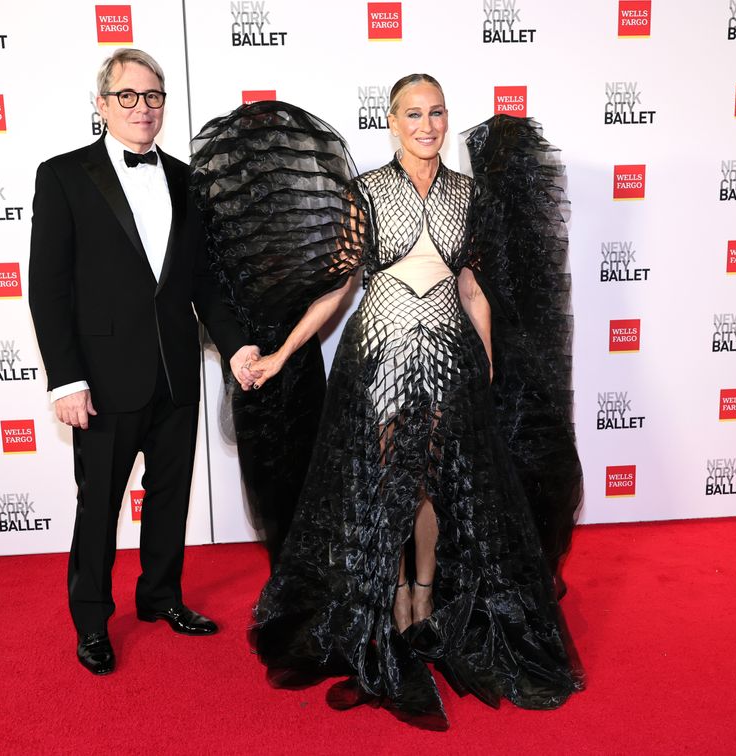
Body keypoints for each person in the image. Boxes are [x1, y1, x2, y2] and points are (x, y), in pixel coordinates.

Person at [238, 75, 584, 729]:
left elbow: (473, 287)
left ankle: (424, 590)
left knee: (430, 480)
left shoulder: (467, 193)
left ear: (446, 120)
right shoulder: (366, 191)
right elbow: (336, 289)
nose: (427, 125)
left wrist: (483, 357)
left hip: (451, 355)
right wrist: (282, 354)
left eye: (437, 113)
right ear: (393, 121)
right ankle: (393, 595)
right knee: (388, 480)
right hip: (380, 357)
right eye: (414, 114)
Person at [28, 48, 260, 676]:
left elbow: (202, 281)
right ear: (102, 105)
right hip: (101, 379)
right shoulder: (63, 176)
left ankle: (160, 597)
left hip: (175, 369)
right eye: (127, 96)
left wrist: (236, 342)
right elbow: (46, 288)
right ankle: (92, 621)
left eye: (153, 96)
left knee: (168, 497)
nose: (143, 107)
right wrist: (65, 379)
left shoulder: (188, 179)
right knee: (98, 504)